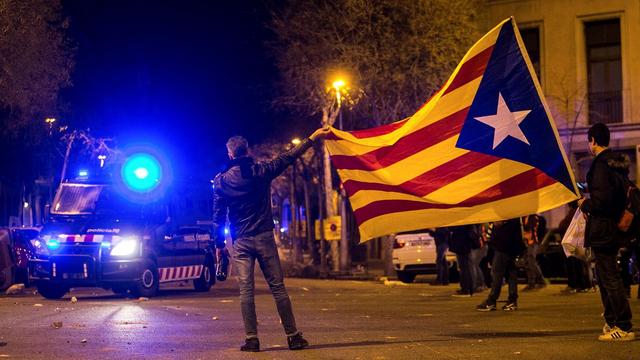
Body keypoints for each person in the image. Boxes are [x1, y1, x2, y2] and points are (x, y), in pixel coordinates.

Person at [212, 127, 331, 352]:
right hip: (264, 237)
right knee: (278, 288)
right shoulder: (261, 171)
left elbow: (218, 217)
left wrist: (219, 246)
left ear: (230, 154)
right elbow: (287, 158)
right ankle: (293, 336)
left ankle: (252, 339)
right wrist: (312, 138)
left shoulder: (221, 182)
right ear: (247, 151)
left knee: (246, 291)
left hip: (241, 241)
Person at [578, 122, 634, 341]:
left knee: (609, 278)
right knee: (605, 277)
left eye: (589, 141)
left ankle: (624, 325)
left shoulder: (601, 166)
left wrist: (585, 204)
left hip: (603, 230)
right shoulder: (616, 165)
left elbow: (602, 202)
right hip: (612, 229)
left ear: (593, 141)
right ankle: (612, 321)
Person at [476, 218, 525, 312]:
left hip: (503, 246)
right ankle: (512, 301)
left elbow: (498, 223)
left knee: (497, 274)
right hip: (511, 246)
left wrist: (496, 221)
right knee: (511, 274)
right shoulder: (515, 214)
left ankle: (491, 301)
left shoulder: (505, 212)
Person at [449, 225, 479, 297]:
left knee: (465, 268)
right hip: (463, 245)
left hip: (463, 245)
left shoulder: (463, 224)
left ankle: (467, 290)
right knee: (465, 267)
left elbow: (456, 229)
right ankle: (468, 289)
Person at [522, 214, 547, 291]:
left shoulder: (533, 217)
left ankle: (541, 281)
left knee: (531, 261)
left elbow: (531, 229)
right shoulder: (524, 217)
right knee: (527, 262)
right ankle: (531, 283)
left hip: (532, 242)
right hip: (526, 242)